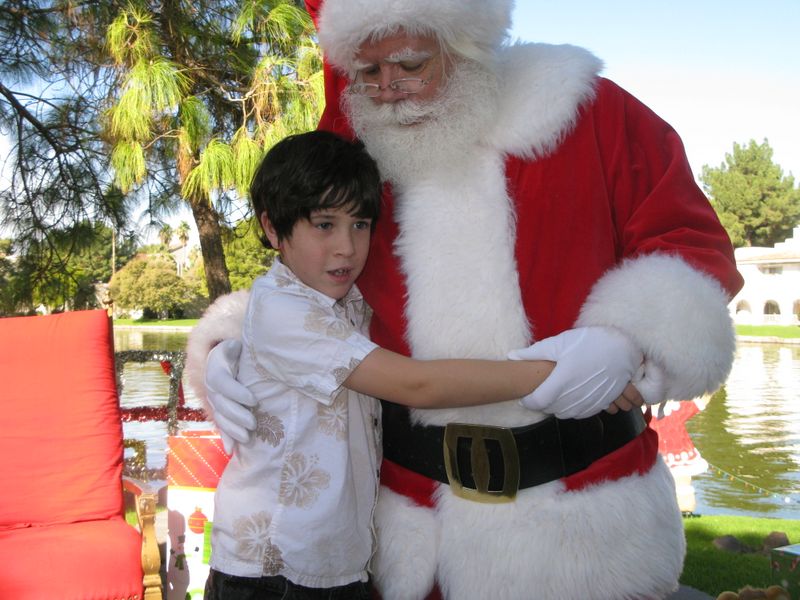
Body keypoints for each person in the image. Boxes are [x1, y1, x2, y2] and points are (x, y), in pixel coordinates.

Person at [186, 1, 744, 598]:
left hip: (586, 523)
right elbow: (309, 268)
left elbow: (687, 239)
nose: (388, 90)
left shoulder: (588, 111)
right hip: (407, 527)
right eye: (367, 72)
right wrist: (239, 346)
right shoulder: (353, 141)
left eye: (409, 63)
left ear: (464, 41)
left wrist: (627, 340)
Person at [203, 129, 560, 600]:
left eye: (360, 224)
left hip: (338, 562)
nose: (347, 248)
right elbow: (417, 386)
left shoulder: (345, 301)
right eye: (324, 225)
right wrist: (556, 372)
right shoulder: (285, 312)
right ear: (273, 228)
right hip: (275, 570)